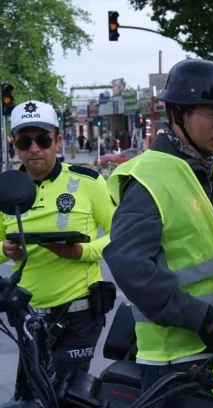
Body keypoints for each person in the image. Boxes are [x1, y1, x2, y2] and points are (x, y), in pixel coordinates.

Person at [102, 58, 213, 394]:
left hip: (212, 348)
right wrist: (199, 318)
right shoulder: (151, 176)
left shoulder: (202, 167)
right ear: (177, 114)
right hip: (171, 361)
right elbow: (130, 265)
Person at [0, 100, 117, 389]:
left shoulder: (88, 182)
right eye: (25, 142)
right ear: (13, 144)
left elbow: (122, 234)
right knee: (31, 394)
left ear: (58, 141)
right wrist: (5, 249)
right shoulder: (6, 190)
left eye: (43, 140)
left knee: (65, 395)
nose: (34, 149)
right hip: (27, 317)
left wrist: (82, 252)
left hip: (78, 315)